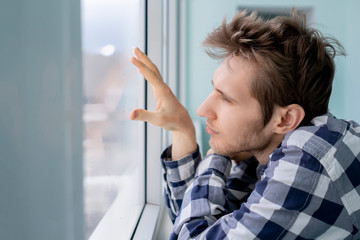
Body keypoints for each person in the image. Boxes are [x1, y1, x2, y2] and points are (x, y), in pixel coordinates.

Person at [130, 9, 360, 239]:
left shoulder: (308, 158)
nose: (202, 110)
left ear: (286, 119)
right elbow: (196, 220)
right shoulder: (262, 154)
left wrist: (216, 152)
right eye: (214, 90)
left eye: (226, 98)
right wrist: (182, 132)